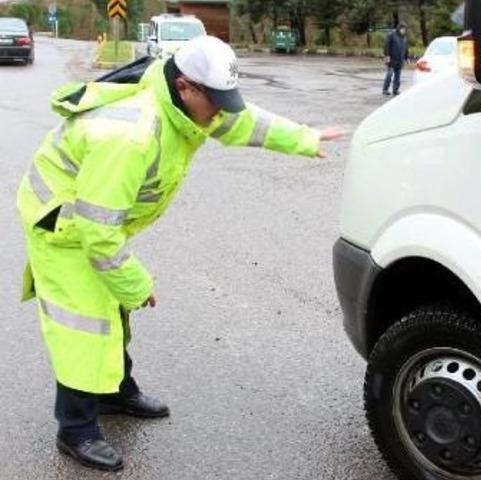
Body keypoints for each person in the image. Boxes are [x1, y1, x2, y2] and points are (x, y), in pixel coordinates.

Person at [16, 35, 342, 472]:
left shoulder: (185, 106)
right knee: (85, 324)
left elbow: (244, 123)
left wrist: (303, 138)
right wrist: (136, 282)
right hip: (63, 225)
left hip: (95, 218)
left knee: (114, 309)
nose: (223, 110)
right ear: (186, 86)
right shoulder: (130, 136)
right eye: (217, 100)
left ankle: (115, 391)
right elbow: (97, 233)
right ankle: (75, 430)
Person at [383, 22, 409, 96]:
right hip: (391, 59)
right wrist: (387, 56)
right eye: (402, 29)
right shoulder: (391, 35)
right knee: (389, 74)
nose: (404, 30)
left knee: (398, 75)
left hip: (400, 60)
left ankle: (395, 90)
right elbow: (386, 46)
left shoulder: (404, 37)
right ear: (399, 28)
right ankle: (385, 89)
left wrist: (406, 58)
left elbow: (406, 48)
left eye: (405, 29)